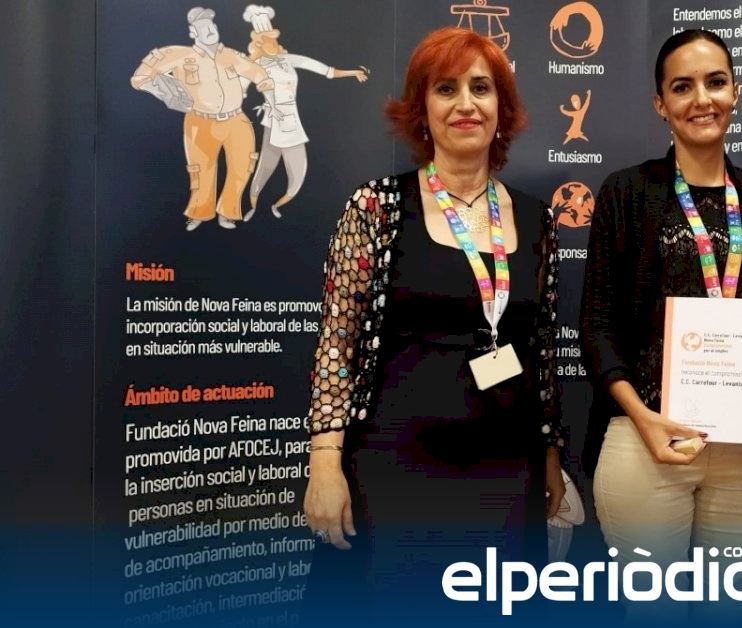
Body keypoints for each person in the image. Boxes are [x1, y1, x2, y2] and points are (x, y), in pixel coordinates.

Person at [580, 29, 742, 624]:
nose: (702, 99)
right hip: (646, 440)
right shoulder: (627, 191)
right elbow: (596, 326)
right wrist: (644, 419)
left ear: (735, 91)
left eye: (715, 82)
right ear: (661, 104)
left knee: (728, 611)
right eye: (683, 87)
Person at [301, 27, 565, 623]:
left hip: (506, 466)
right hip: (395, 468)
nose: (466, 104)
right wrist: (324, 463)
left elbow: (542, 347)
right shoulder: (376, 207)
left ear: (502, 107)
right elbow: (337, 344)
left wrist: (550, 452)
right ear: (422, 108)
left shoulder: (537, 219)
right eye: (446, 89)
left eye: (481, 88)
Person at [130, 6, 276, 231]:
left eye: (212, 25)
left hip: (236, 121)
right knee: (200, 171)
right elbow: (140, 77)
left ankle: (228, 212)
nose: (210, 29)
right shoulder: (179, 55)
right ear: (193, 32)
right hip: (200, 122)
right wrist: (161, 91)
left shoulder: (231, 56)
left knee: (242, 167)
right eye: (203, 26)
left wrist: (268, 91)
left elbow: (258, 73)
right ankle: (199, 213)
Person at [240, 5, 370, 221]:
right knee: (264, 168)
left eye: (273, 38)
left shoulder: (287, 59)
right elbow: (239, 88)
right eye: (268, 39)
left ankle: (275, 206)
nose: (273, 42)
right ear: (260, 43)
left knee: (297, 174)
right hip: (274, 122)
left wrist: (352, 72)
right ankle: (253, 206)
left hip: (292, 123)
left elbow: (324, 70)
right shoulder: (255, 65)